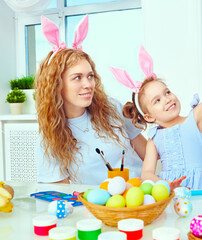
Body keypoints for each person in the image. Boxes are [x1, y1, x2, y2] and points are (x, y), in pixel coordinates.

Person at [110, 31, 202, 190]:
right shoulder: (154, 138)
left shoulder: (197, 117)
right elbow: (147, 174)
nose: (167, 99)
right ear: (149, 116)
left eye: (167, 92)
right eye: (157, 100)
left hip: (199, 192)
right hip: (169, 195)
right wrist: (166, 185)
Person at [34, 16, 147, 184]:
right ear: (57, 85)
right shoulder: (50, 138)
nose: (88, 84)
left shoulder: (112, 107)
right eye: (77, 77)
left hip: (142, 196)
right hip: (99, 207)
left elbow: (147, 153)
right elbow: (62, 194)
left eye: (90, 76)